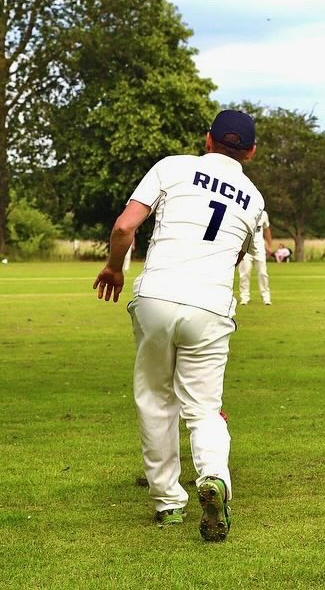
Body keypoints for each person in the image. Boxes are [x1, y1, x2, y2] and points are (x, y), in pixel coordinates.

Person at [92, 109, 265, 542]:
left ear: (207, 140)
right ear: (251, 151)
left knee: (155, 398)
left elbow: (124, 226)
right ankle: (213, 477)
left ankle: (168, 502)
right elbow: (238, 255)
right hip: (210, 306)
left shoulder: (172, 167)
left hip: (156, 297)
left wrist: (114, 268)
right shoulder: (254, 198)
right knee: (204, 408)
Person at [237, 209, 273, 305]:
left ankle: (266, 297)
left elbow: (266, 230)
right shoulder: (243, 211)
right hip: (246, 247)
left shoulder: (264, 214)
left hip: (259, 248)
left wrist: (269, 245)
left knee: (263, 273)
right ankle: (244, 297)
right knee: (244, 273)